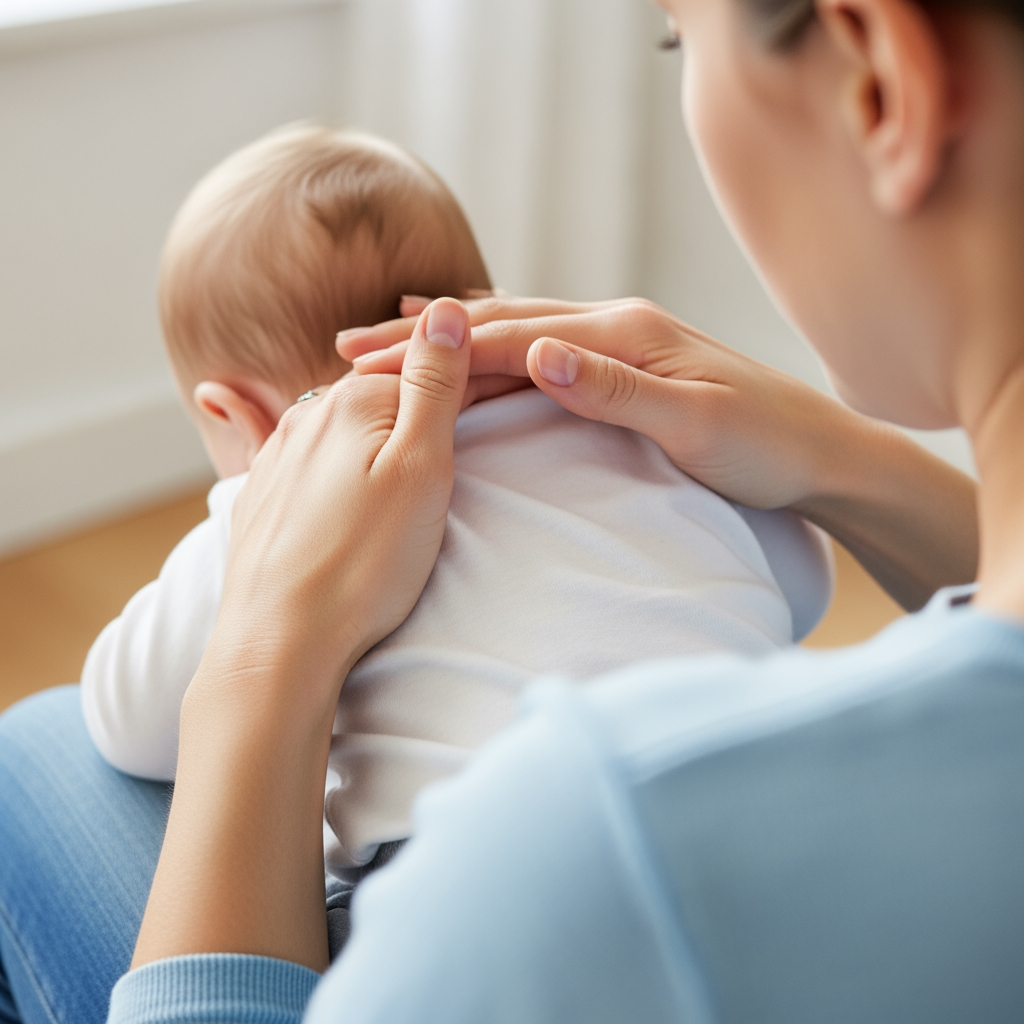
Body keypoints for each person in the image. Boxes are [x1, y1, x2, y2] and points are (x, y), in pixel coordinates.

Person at [0, 0, 1018, 1021]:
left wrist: (263, 659)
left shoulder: (591, 820)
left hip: (426, 875)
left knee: (34, 749)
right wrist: (839, 467)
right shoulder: (634, 439)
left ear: (881, 77)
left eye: (676, 35)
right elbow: (792, 596)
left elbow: (123, 715)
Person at [81, 123, 831, 911]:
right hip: (762, 802)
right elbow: (799, 594)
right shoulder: (629, 416)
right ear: (481, 306)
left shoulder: (270, 514)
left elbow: (124, 721)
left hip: (473, 887)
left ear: (238, 417)